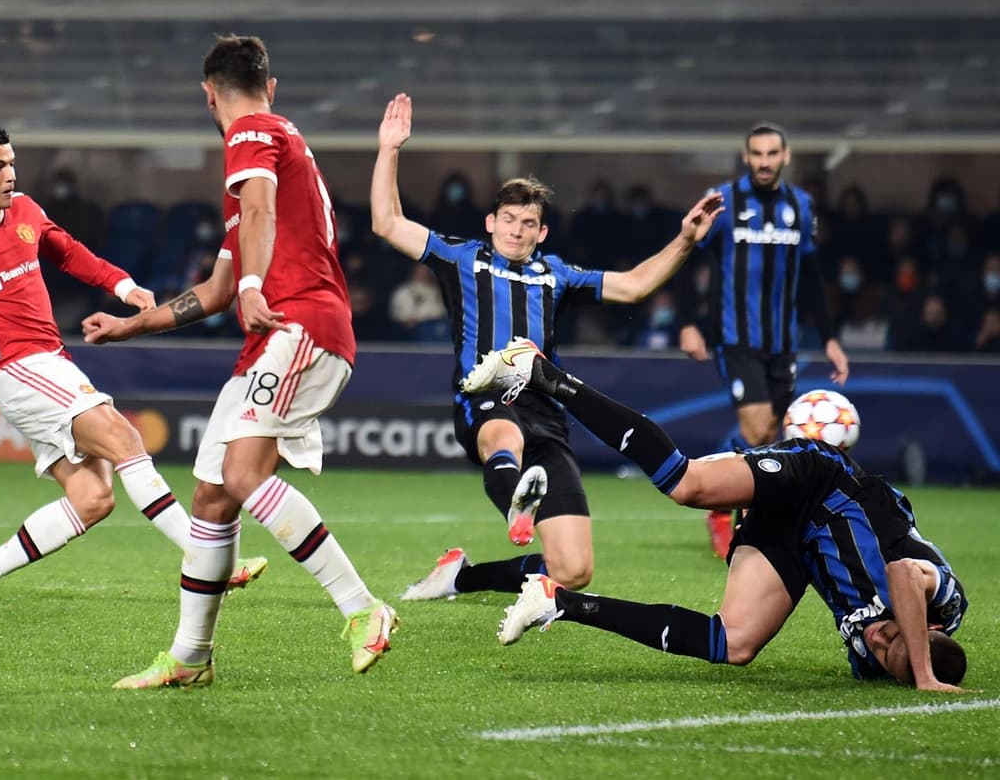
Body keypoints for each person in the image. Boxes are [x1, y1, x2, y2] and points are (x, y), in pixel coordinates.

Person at [82, 35, 396, 688]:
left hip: (300, 323)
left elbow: (252, 241)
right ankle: (191, 657)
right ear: (270, 83)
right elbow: (222, 286)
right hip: (276, 333)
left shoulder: (253, 132)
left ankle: (364, 608)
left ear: (208, 93)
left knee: (243, 472)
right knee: (213, 497)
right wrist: (131, 324)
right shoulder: (266, 152)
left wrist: (256, 286)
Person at [0, 125, 264, 603]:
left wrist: (124, 287)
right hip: (16, 368)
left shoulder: (24, 210)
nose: (10, 175)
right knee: (126, 438)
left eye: (12, 164)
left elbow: (67, 252)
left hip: (49, 363)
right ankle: (207, 562)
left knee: (93, 499)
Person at [370, 93, 723, 603]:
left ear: (542, 232)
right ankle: (517, 498)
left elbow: (633, 286)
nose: (517, 230)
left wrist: (686, 240)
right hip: (486, 392)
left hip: (549, 410)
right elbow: (386, 222)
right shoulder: (459, 258)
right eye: (508, 219)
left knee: (573, 570)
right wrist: (389, 150)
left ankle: (460, 576)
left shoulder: (556, 275)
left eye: (528, 223)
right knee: (502, 437)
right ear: (491, 222)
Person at [466, 338, 967, 692]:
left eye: (886, 657)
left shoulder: (876, 661)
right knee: (686, 484)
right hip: (825, 485)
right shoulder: (946, 603)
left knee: (734, 644)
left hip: (799, 543)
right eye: (897, 638)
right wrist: (921, 674)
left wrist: (903, 665)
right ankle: (540, 373)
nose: (880, 641)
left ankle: (558, 602)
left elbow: (879, 637)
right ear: (929, 631)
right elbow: (903, 573)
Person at [676, 122, 849, 558]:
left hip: (783, 343)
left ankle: (731, 513)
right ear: (746, 156)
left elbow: (811, 276)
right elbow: (687, 254)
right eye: (757, 154)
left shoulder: (801, 205)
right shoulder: (724, 202)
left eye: (773, 154)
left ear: (785, 156)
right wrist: (688, 321)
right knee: (755, 430)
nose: (765, 162)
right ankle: (744, 527)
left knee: (771, 438)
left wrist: (829, 338)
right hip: (735, 338)